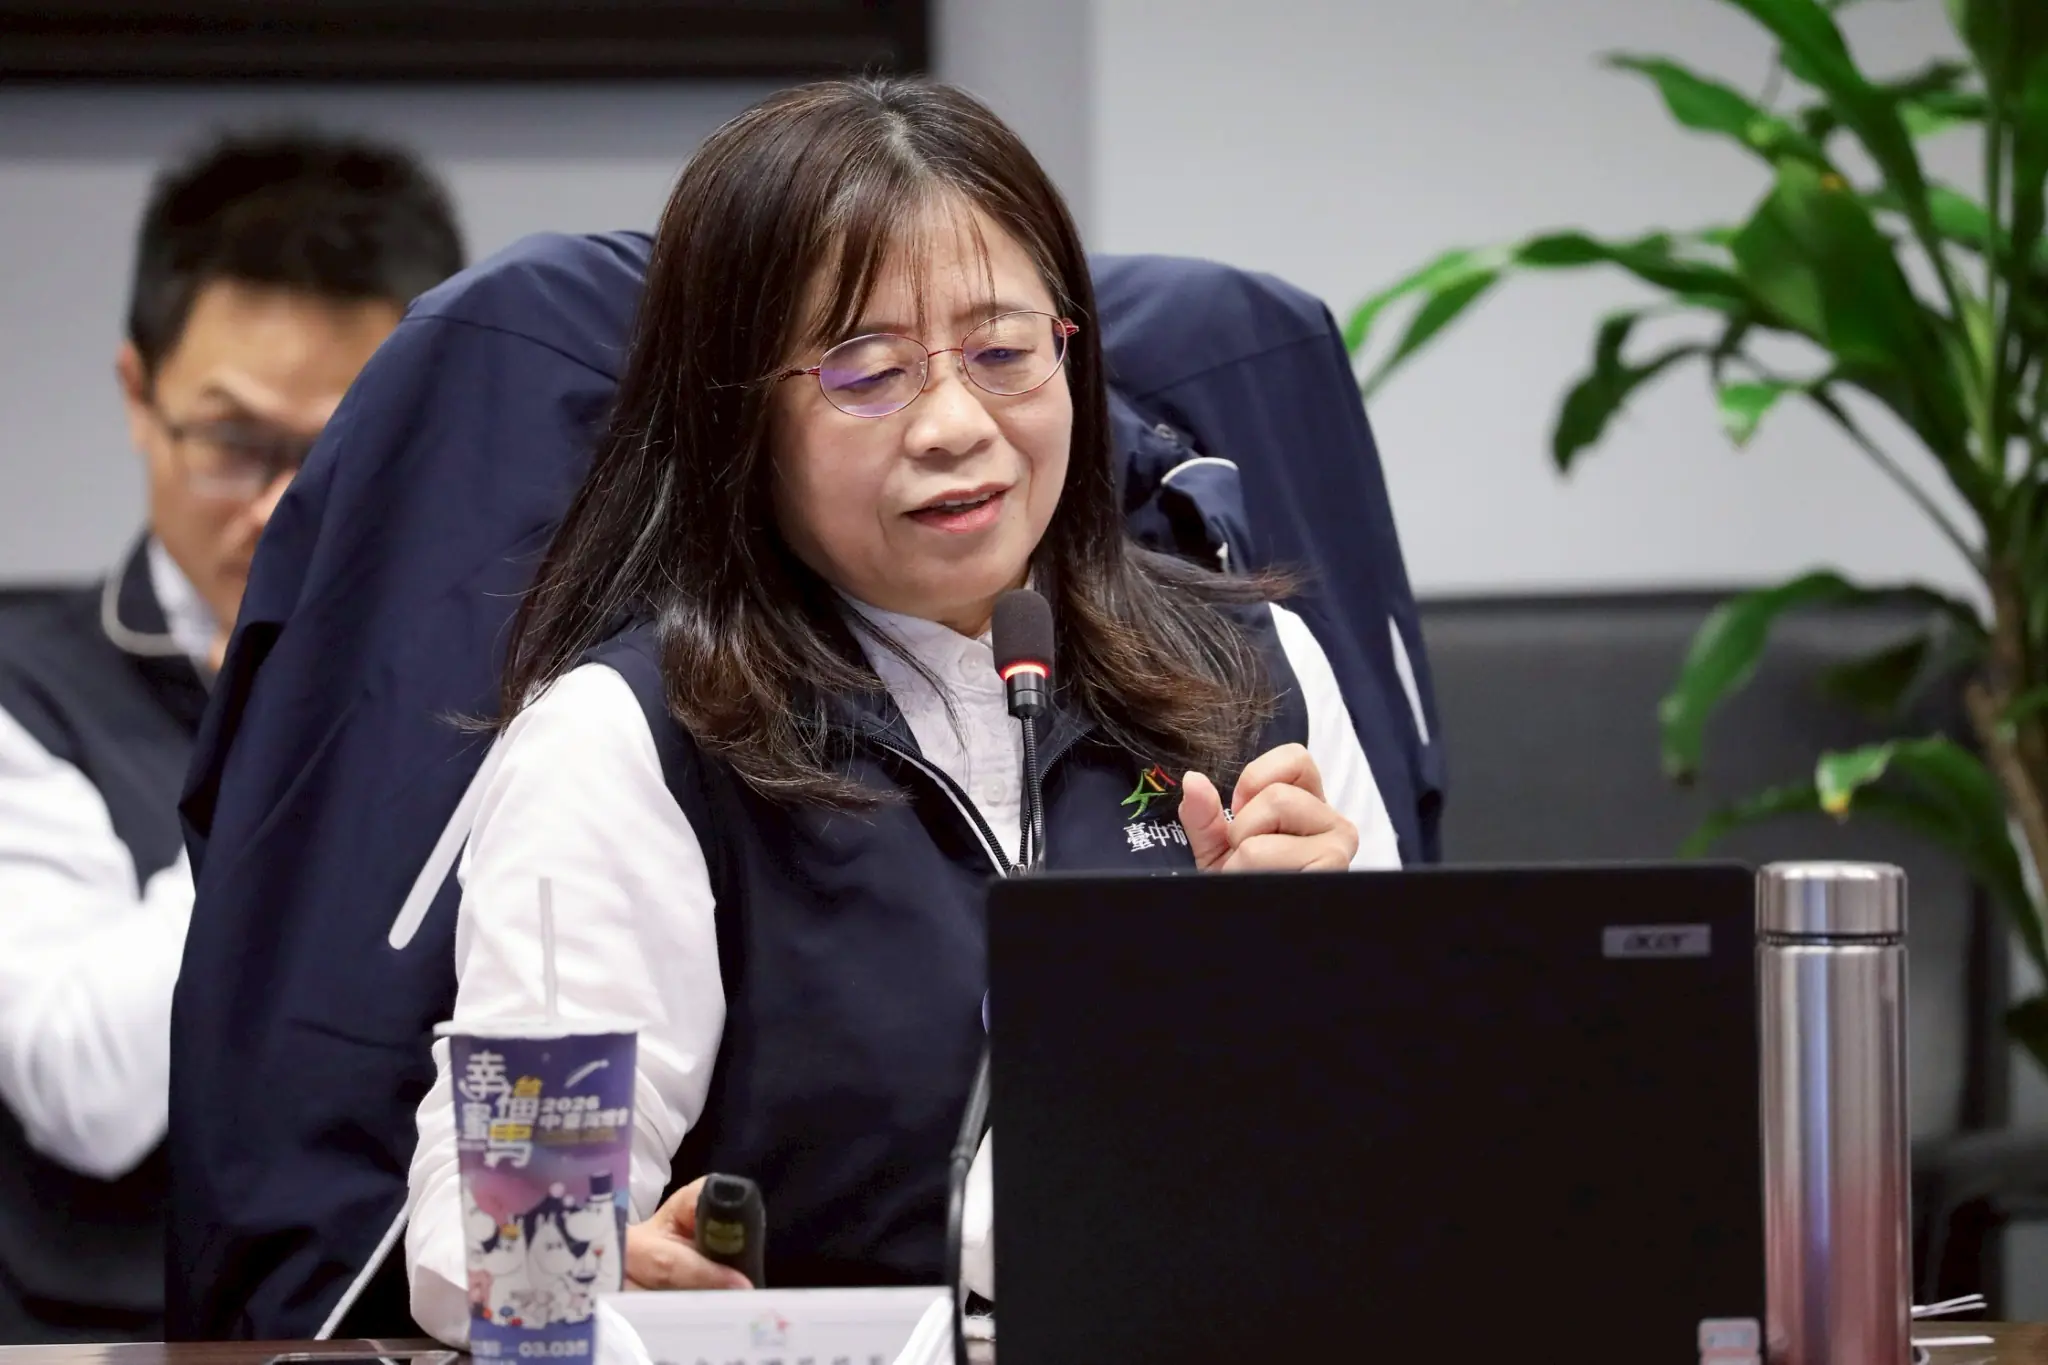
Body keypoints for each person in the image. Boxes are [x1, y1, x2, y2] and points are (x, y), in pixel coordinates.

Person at [402, 75, 1400, 1342]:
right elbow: (491, 1243)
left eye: (1003, 354)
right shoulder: (624, 740)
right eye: (866, 373)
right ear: (734, 414)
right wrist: (593, 1272)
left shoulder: (1254, 672)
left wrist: (1324, 988)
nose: (954, 425)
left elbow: (1410, 1168)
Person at [0, 128, 464, 1343]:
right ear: (138, 397)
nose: (278, 508)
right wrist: (287, 730)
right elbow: (86, 1092)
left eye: (339, 452)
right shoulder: (24, 692)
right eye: (234, 446)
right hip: (108, 1340)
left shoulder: (507, 693)